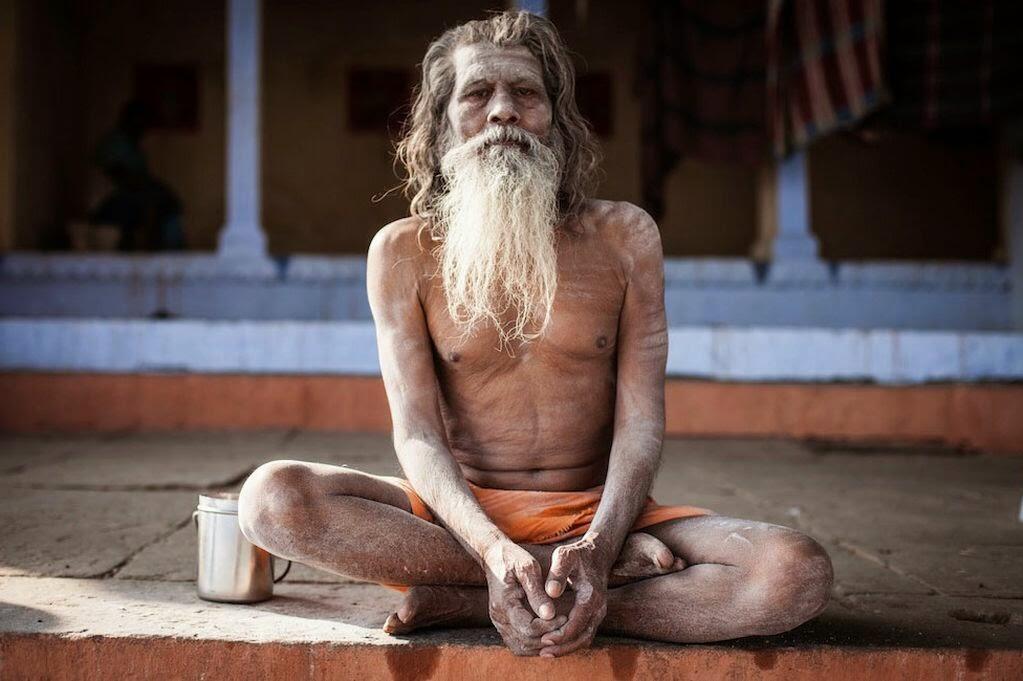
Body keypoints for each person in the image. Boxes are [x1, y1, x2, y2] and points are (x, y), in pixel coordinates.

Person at [237, 11, 833, 658]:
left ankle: (478, 596)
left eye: (526, 94)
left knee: (792, 574)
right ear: (440, 126)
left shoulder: (624, 236)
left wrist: (600, 546)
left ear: (558, 121)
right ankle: (540, 581)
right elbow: (415, 433)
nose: (504, 113)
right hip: (453, 522)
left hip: (598, 514)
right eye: (477, 94)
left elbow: (640, 423)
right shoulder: (403, 251)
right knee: (273, 500)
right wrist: (492, 550)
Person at [89, 100, 185, 251]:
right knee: (157, 202)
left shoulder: (135, 149)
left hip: (133, 199)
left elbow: (142, 179)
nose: (144, 129)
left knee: (168, 204)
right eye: (141, 122)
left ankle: (172, 251)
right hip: (109, 204)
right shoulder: (113, 144)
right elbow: (122, 177)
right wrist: (153, 190)